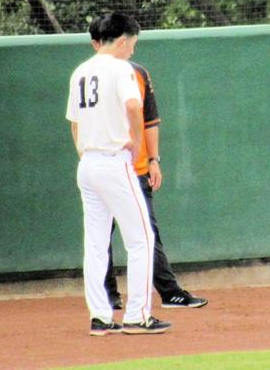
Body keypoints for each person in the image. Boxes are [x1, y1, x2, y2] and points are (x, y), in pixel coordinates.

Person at [88, 16, 208, 310]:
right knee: (112, 239)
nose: (132, 49)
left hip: (131, 169)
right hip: (114, 166)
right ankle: (114, 301)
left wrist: (153, 159)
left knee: (143, 233)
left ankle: (168, 292)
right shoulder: (93, 75)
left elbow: (149, 119)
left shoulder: (134, 72)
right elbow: (126, 111)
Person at [66, 12, 172, 336]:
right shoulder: (120, 68)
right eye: (132, 44)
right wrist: (137, 143)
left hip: (88, 164)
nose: (132, 50)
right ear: (123, 40)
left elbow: (74, 123)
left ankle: (100, 316)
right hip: (114, 162)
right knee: (141, 239)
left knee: (96, 243)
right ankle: (138, 316)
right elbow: (133, 106)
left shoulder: (81, 71)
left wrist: (85, 153)